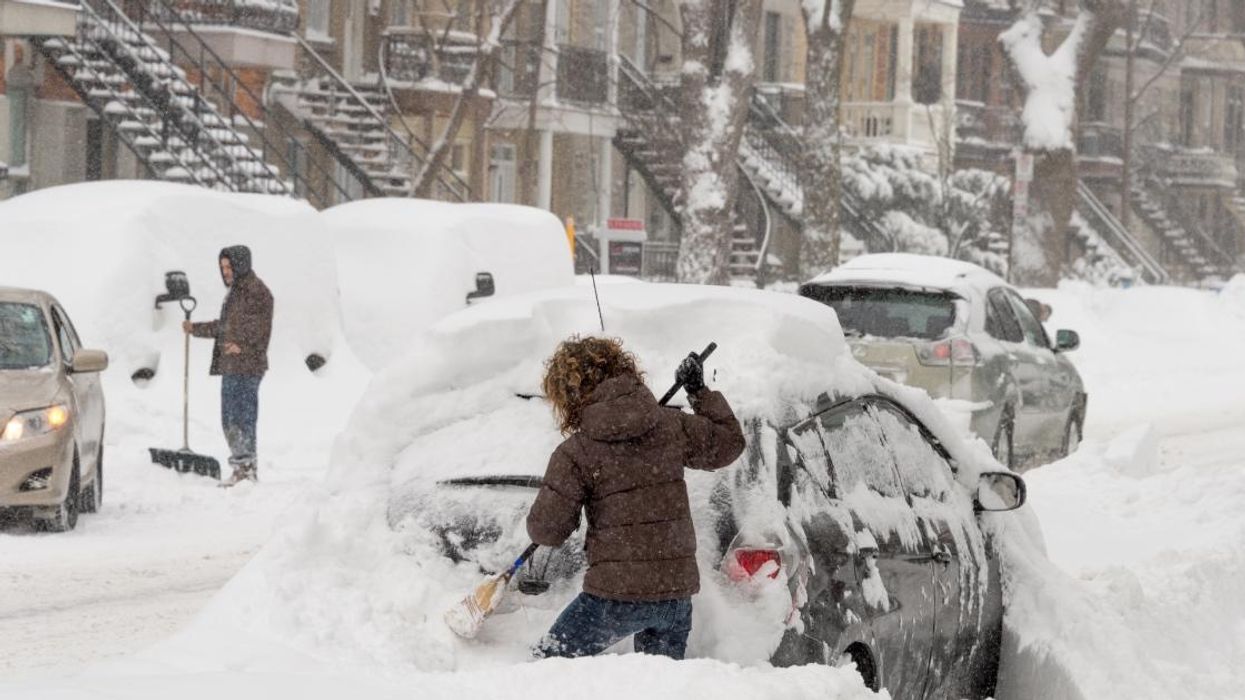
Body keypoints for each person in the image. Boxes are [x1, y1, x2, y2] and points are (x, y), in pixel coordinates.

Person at [526, 336, 745, 660]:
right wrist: (698, 391)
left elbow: (547, 531)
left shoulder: (576, 453)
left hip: (614, 597)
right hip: (674, 596)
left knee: (546, 668)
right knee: (659, 687)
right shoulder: (670, 426)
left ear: (568, 395)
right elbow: (729, 444)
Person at [183, 245, 273, 486]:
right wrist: (196, 329)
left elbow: (262, 328)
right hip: (232, 366)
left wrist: (243, 346)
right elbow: (225, 327)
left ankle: (246, 468)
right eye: (222, 268)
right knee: (230, 418)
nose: (225, 272)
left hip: (248, 366)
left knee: (242, 418)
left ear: (241, 265)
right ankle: (242, 466)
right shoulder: (236, 292)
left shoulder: (257, 292)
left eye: (229, 267)